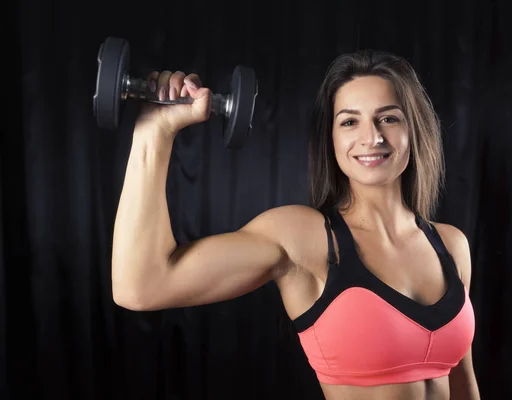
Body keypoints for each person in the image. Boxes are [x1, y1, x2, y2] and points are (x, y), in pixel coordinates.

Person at [111, 50, 481, 400]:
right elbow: (141, 286)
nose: (372, 137)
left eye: (389, 117)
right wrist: (154, 133)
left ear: (414, 129)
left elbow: (463, 383)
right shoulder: (304, 238)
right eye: (350, 121)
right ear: (331, 139)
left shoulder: (451, 245)